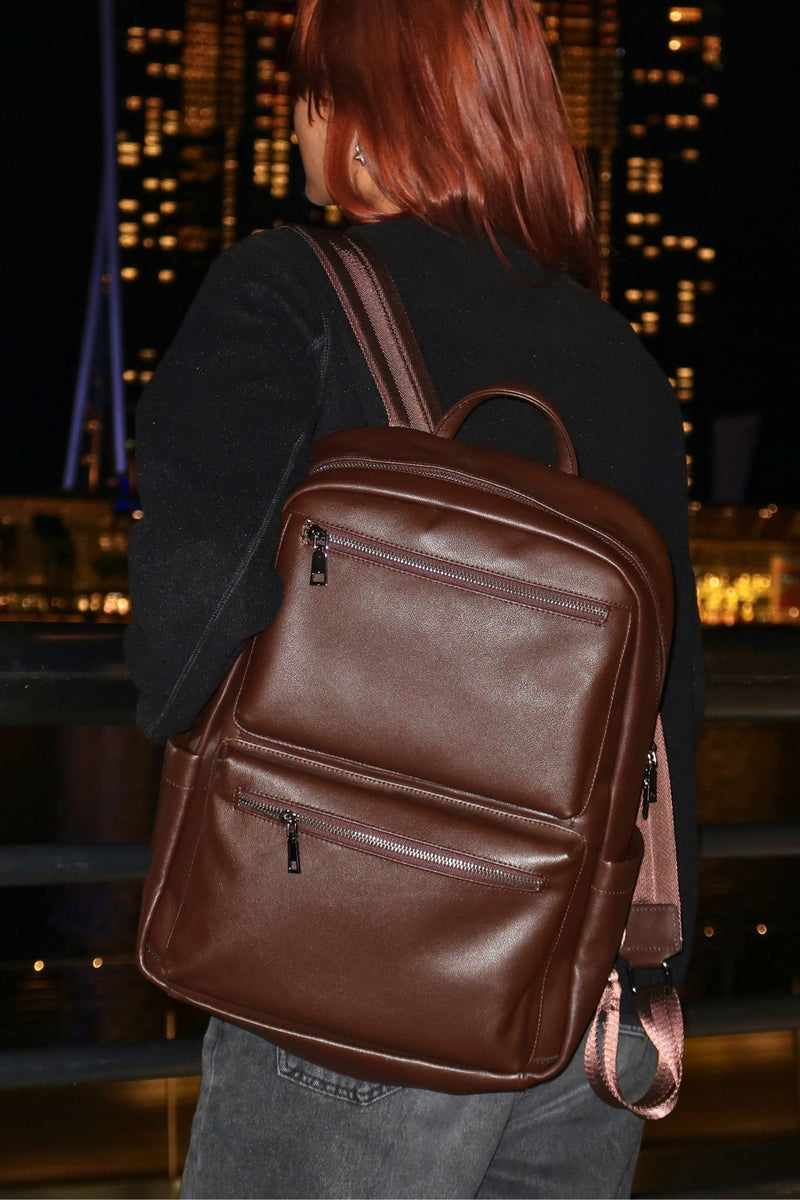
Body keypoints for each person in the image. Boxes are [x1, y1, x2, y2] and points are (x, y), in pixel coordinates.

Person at [125, 0, 705, 1195]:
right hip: (574, 999)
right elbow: (666, 715)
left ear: (366, 113)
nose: (295, 125)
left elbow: (186, 642)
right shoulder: (622, 360)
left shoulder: (286, 290)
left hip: (351, 980)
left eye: (310, 93)